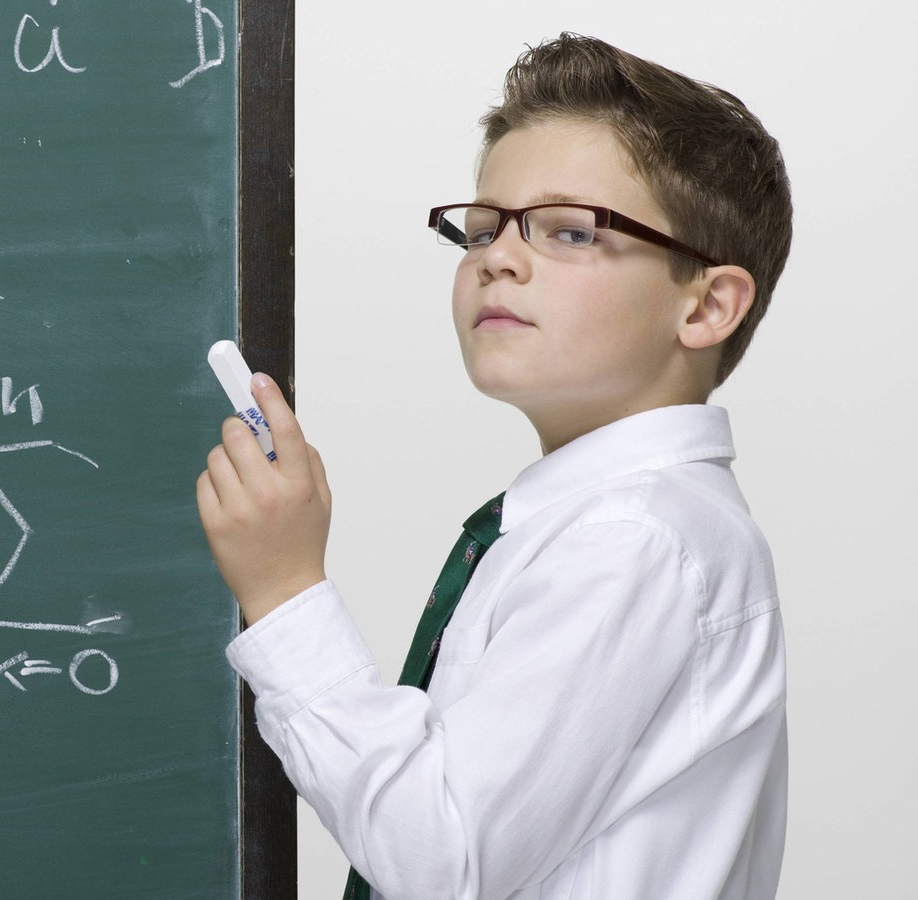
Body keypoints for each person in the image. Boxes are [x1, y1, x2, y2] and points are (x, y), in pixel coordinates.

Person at [196, 33, 791, 899]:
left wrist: (285, 592)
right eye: (480, 230)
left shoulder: (637, 539)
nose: (496, 258)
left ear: (706, 305)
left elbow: (444, 857)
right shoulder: (599, 525)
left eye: (569, 231)